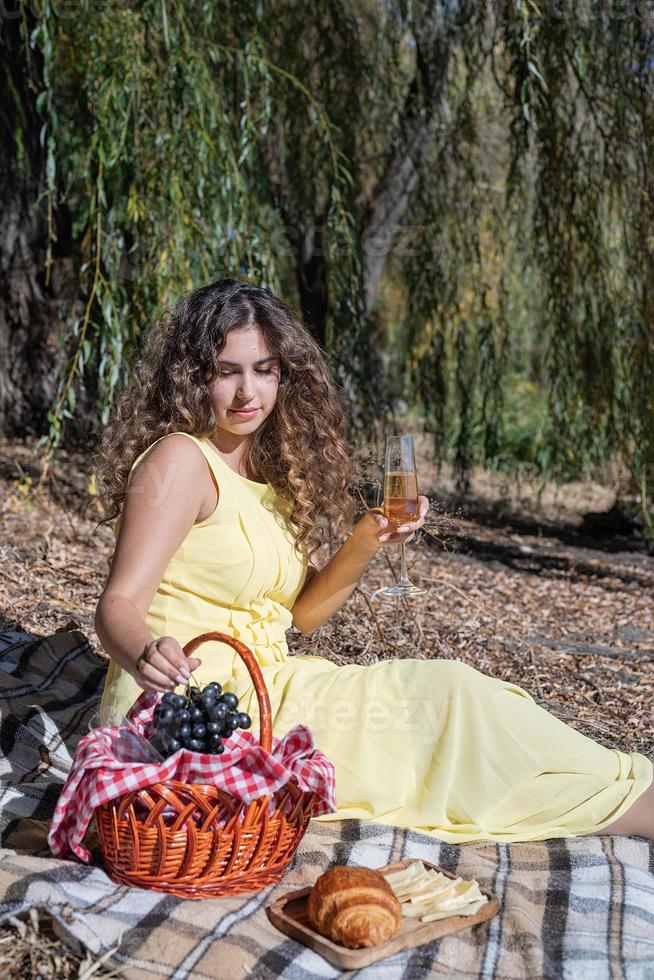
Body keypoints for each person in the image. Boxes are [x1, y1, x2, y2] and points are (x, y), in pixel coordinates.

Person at [95, 278, 653, 843]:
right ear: (194, 377)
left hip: (272, 686)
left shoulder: (267, 478)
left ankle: (627, 785)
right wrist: (145, 651)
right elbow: (117, 603)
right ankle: (631, 802)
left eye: (264, 370)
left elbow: (302, 615)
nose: (248, 392)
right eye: (226, 371)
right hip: (198, 711)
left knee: (456, 700)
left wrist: (366, 539)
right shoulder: (179, 461)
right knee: (447, 712)